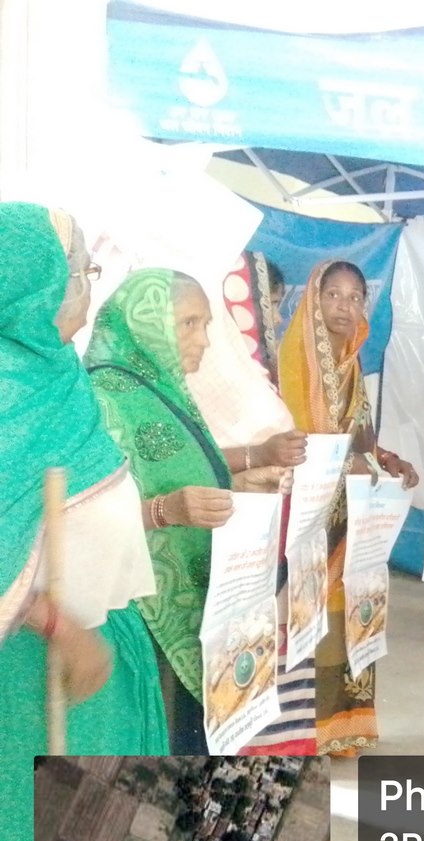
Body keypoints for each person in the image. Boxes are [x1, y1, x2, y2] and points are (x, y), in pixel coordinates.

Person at [0, 204, 168, 841]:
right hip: (28, 690)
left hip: (99, 675)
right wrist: (56, 622)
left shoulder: (57, 374)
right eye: (77, 273)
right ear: (33, 286)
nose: (87, 288)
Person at [84, 269, 289, 754]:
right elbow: (82, 514)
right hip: (145, 606)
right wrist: (166, 510)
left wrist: (242, 475)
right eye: (189, 324)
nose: (203, 340)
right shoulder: (102, 397)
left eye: (206, 325)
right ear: (145, 323)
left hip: (196, 592)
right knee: (171, 733)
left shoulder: (158, 387)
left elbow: (181, 467)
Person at [278, 260, 419, 756]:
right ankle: (306, 731)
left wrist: (387, 458)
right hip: (307, 515)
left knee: (345, 611)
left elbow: (359, 435)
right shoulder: (294, 356)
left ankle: (343, 727)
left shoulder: (351, 362)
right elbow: (296, 439)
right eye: (333, 294)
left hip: (349, 513)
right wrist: (348, 465)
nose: (344, 306)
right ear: (313, 299)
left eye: (355, 296)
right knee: (309, 616)